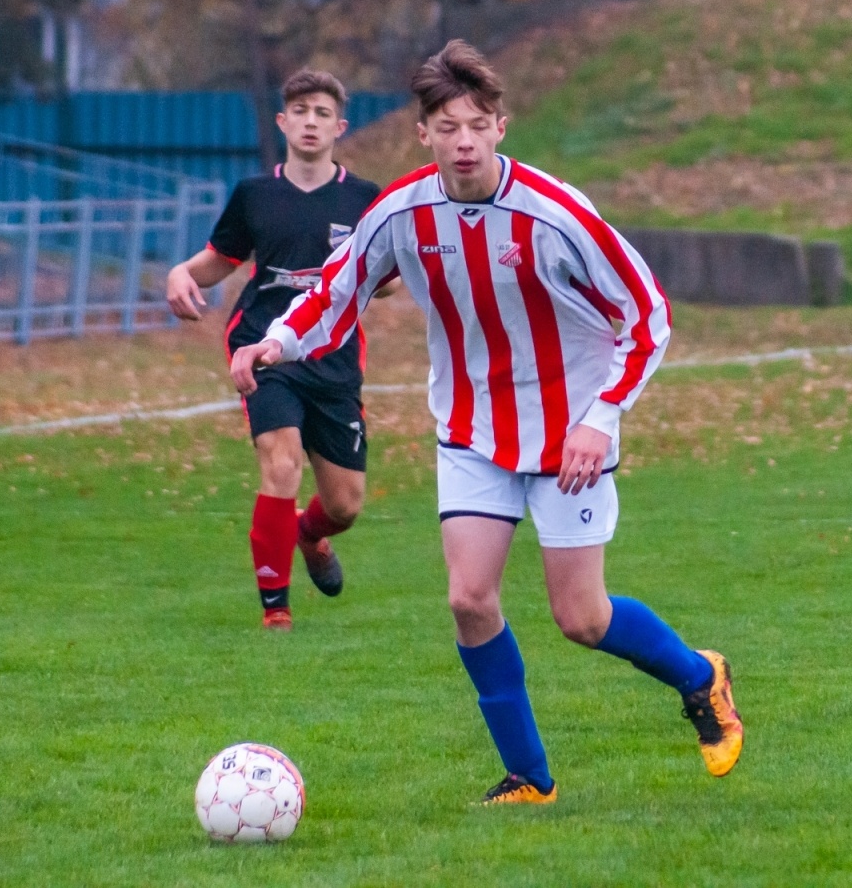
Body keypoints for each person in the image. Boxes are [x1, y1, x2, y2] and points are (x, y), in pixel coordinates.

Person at [230, 41, 743, 802]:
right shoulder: (400, 213)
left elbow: (649, 315)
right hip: (472, 430)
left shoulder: (556, 214)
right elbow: (336, 292)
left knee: (582, 617)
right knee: (469, 599)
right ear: (424, 134)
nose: (463, 139)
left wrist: (601, 418)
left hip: (571, 431)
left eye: (477, 124)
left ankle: (702, 678)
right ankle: (529, 778)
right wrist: (275, 343)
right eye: (447, 126)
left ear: (501, 126)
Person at [167, 69, 392, 630]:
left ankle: (308, 532)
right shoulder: (255, 194)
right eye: (301, 111)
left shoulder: (366, 199)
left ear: (340, 127)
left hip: (333, 357)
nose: (310, 122)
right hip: (263, 346)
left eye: (322, 114)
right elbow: (222, 258)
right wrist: (181, 272)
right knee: (282, 461)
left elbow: (385, 281)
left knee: (345, 504)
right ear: (282, 121)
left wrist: (371, 272)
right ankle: (277, 612)